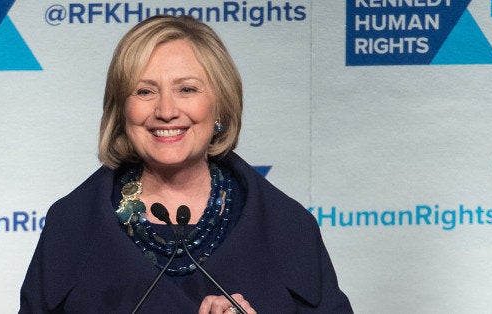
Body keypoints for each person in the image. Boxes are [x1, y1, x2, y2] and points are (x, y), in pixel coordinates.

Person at [19, 15, 352, 313]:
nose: (166, 110)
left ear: (221, 105)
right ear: (121, 110)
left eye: (187, 89)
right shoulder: (70, 226)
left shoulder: (288, 228)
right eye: (145, 92)